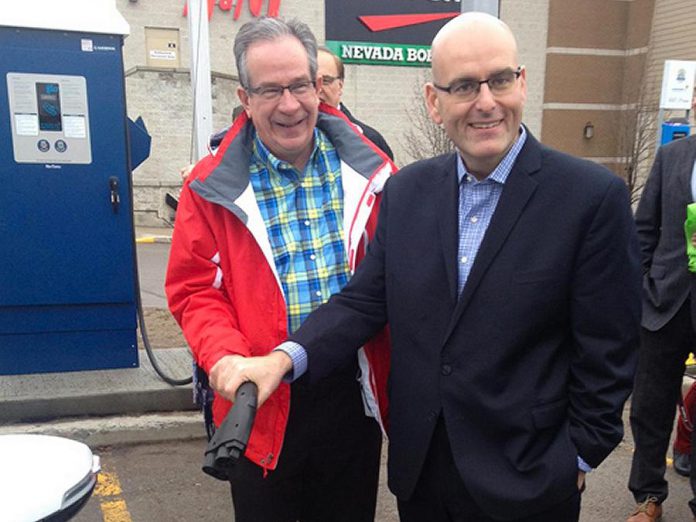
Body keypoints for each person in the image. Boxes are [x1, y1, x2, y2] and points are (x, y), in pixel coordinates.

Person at [217, 12, 642, 522]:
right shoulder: (407, 191)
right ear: (434, 102)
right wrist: (282, 360)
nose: (485, 102)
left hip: (532, 482)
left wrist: (579, 454)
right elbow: (364, 301)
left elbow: (609, 347)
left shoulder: (590, 199)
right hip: (423, 477)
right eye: (463, 86)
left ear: (521, 84)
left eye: (500, 80)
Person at [165, 16, 396, 522]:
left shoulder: (374, 172)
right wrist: (224, 358)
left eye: (298, 85)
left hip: (351, 395)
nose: (289, 104)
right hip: (259, 399)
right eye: (270, 90)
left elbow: (392, 283)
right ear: (245, 99)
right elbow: (194, 289)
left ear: (320, 88)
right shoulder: (208, 187)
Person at [626, 89, 696, 522]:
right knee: (650, 406)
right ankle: (647, 497)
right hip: (665, 300)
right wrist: (643, 284)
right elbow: (644, 228)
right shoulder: (673, 157)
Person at [316, 46, 394, 160]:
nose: (318, 88)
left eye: (326, 81)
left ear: (340, 85)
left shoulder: (369, 141)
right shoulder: (285, 139)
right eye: (311, 81)